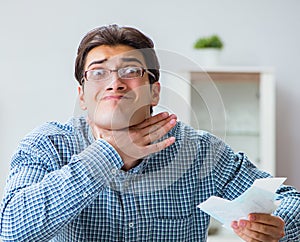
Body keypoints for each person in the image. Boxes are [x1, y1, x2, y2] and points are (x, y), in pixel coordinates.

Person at [0, 24, 299, 242]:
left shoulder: (199, 152)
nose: (114, 83)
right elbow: (11, 229)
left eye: (130, 71)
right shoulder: (47, 145)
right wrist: (112, 153)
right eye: (98, 72)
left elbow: (290, 200)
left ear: (154, 92)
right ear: (82, 95)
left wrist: (278, 225)